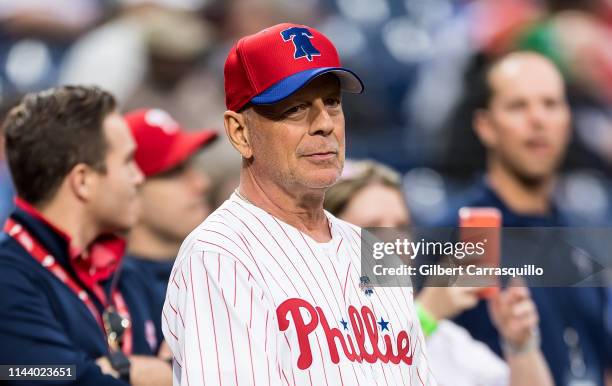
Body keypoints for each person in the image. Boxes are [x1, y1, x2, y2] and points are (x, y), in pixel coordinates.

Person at [162, 23, 436, 385]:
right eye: (295, 108)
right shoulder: (219, 255)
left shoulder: (375, 252)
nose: (324, 124)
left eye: (333, 103)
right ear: (240, 133)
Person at [438, 51, 610, 386]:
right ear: (485, 126)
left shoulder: (584, 234)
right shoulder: (456, 235)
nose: (538, 120)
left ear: (568, 120)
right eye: (518, 106)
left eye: (550, 104)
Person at [324, 159, 553, 386]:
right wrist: (426, 314)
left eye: (402, 227)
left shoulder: (446, 337)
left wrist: (521, 346)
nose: (395, 242)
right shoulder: (312, 330)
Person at [0, 86, 172, 385]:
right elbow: (49, 377)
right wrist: (136, 372)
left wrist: (115, 368)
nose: (139, 177)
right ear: (83, 181)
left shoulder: (126, 274)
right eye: (128, 162)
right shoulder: (7, 280)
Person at [123, 107, 217, 356]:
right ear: (129, 188)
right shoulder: (113, 291)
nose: (201, 183)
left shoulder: (221, 264)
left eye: (191, 166)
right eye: (175, 171)